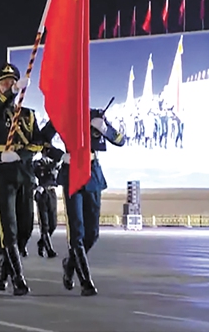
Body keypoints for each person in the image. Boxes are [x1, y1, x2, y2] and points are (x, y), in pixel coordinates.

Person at [0, 63, 47, 296]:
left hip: (25, 172)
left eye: (13, 82)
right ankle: (18, 278)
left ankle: (4, 267)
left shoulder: (29, 115)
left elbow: (38, 141)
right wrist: (11, 95)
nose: (9, 85)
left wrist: (21, 154)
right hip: (4, 174)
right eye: (5, 83)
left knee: (25, 228)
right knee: (8, 228)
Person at [57, 107, 125, 296]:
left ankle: (70, 264)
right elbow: (42, 139)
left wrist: (105, 129)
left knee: (92, 234)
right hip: (71, 172)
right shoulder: (65, 115)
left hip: (91, 174)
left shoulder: (95, 115)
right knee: (77, 232)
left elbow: (120, 141)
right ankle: (86, 282)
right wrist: (59, 155)